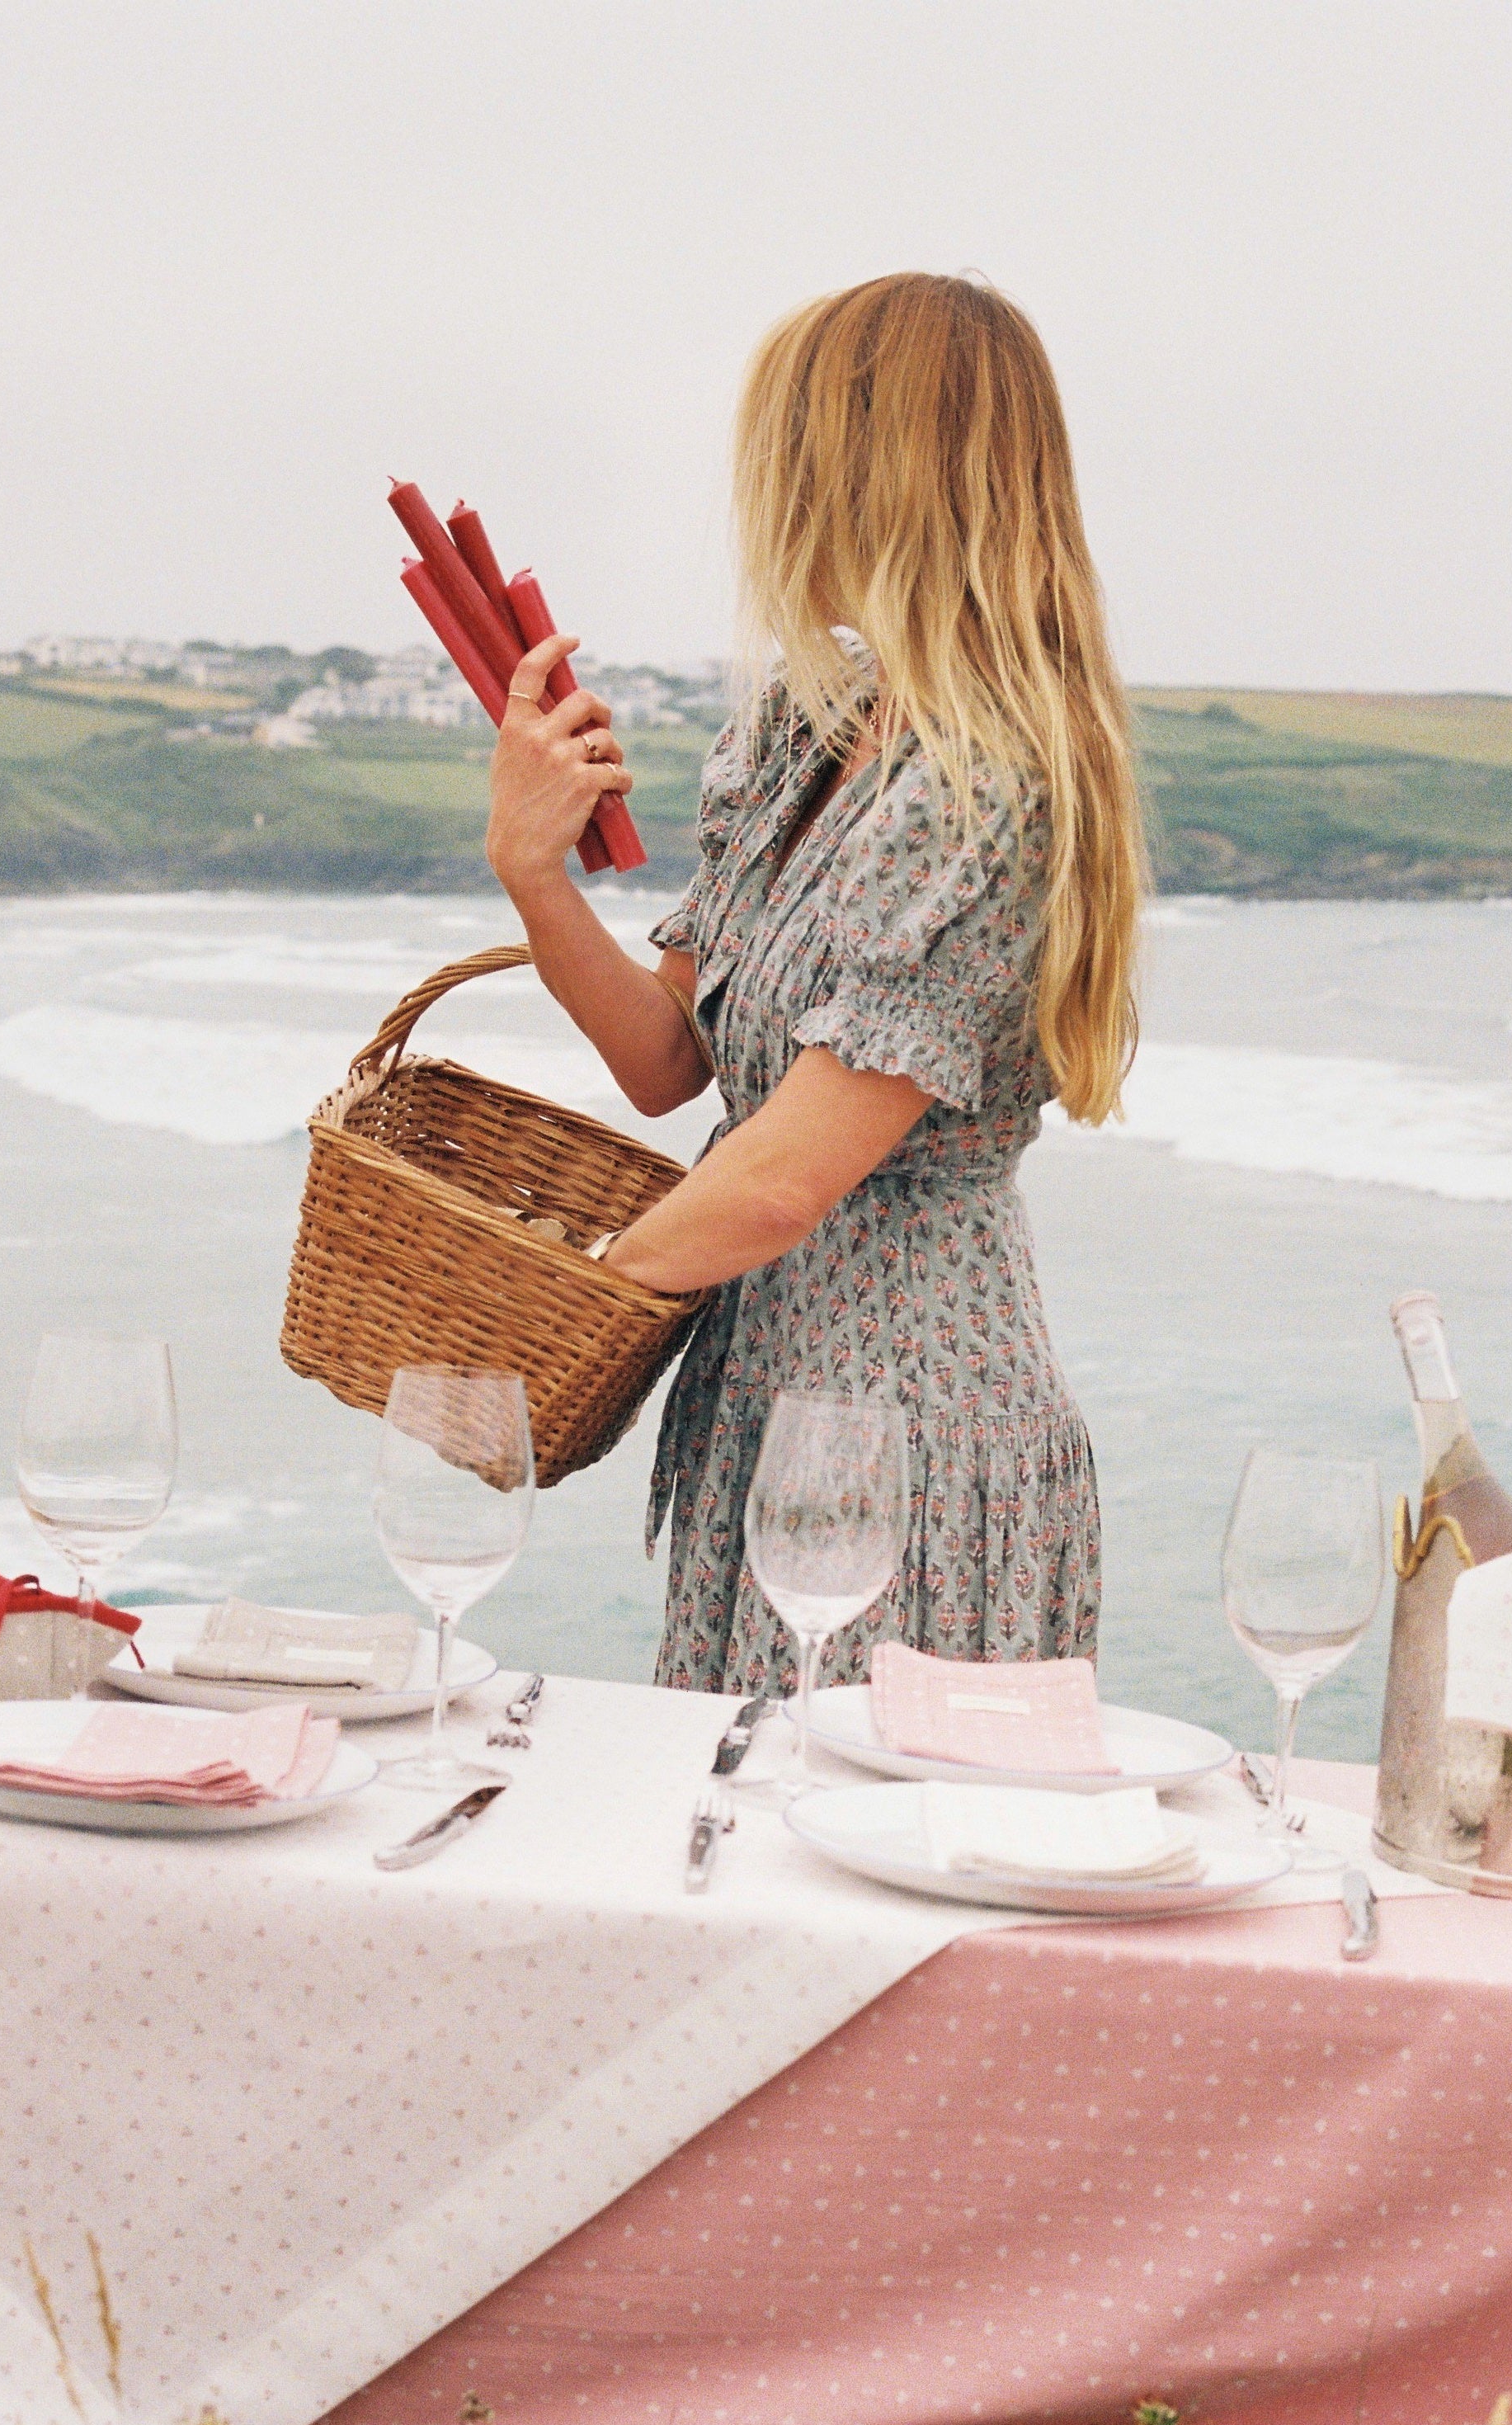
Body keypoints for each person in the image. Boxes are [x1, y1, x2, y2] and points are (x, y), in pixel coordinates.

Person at [485, 271, 1144, 1692]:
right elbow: (672, 1059)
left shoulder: (985, 786)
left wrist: (535, 1340)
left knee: (844, 1874)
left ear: (869, 467)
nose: (765, 486)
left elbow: (786, 1180)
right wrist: (535, 871)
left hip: (905, 1437)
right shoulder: (807, 731)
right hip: (768, 1394)